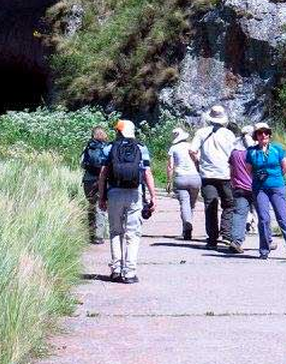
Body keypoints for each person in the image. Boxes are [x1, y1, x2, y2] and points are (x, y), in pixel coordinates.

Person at [98, 120, 157, 283]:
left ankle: (116, 270)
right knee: (133, 233)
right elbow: (147, 173)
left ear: (118, 132)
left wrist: (102, 197)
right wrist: (153, 196)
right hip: (134, 193)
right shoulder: (141, 148)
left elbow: (103, 174)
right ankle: (130, 272)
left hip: (114, 193)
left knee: (116, 231)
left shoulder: (109, 148)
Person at [246, 122, 286, 259]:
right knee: (263, 219)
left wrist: (275, 178)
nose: (263, 135)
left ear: (269, 135)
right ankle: (264, 250)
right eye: (260, 133)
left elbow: (285, 168)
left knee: (282, 217)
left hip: (277, 187)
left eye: (265, 132)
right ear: (256, 136)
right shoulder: (251, 152)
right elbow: (249, 170)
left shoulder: (277, 149)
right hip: (260, 188)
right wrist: (258, 178)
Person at [195, 105, 237, 248]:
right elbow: (234, 154)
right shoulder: (229, 134)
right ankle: (226, 234)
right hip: (225, 174)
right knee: (229, 204)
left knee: (210, 206)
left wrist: (198, 164)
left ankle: (212, 239)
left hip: (207, 174)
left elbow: (192, 150)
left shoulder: (201, 132)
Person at [166, 125, 201, 240]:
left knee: (184, 203)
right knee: (191, 205)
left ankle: (186, 227)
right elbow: (198, 161)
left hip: (181, 178)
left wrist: (169, 181)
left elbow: (170, 166)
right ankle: (187, 227)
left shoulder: (173, 148)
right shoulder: (192, 146)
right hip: (195, 177)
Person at [227, 123, 255, 253]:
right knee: (263, 214)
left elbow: (231, 170)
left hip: (238, 187)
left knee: (239, 214)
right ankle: (268, 241)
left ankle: (236, 241)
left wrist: (233, 183)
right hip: (255, 187)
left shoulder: (234, 153)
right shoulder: (253, 152)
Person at [80, 125, 111, 244]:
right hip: (101, 180)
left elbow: (82, 164)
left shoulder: (88, 146)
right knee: (100, 206)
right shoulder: (107, 147)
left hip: (88, 180)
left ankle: (91, 233)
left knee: (91, 205)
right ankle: (99, 235)